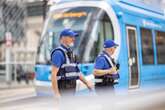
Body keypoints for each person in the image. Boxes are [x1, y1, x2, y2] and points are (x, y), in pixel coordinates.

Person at [51, 28, 93, 98]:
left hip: (71, 89)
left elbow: (77, 72)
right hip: (63, 89)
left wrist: (87, 83)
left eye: (74, 37)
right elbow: (53, 74)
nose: (73, 39)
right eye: (70, 37)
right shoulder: (58, 53)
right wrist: (56, 93)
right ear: (62, 38)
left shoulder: (71, 53)